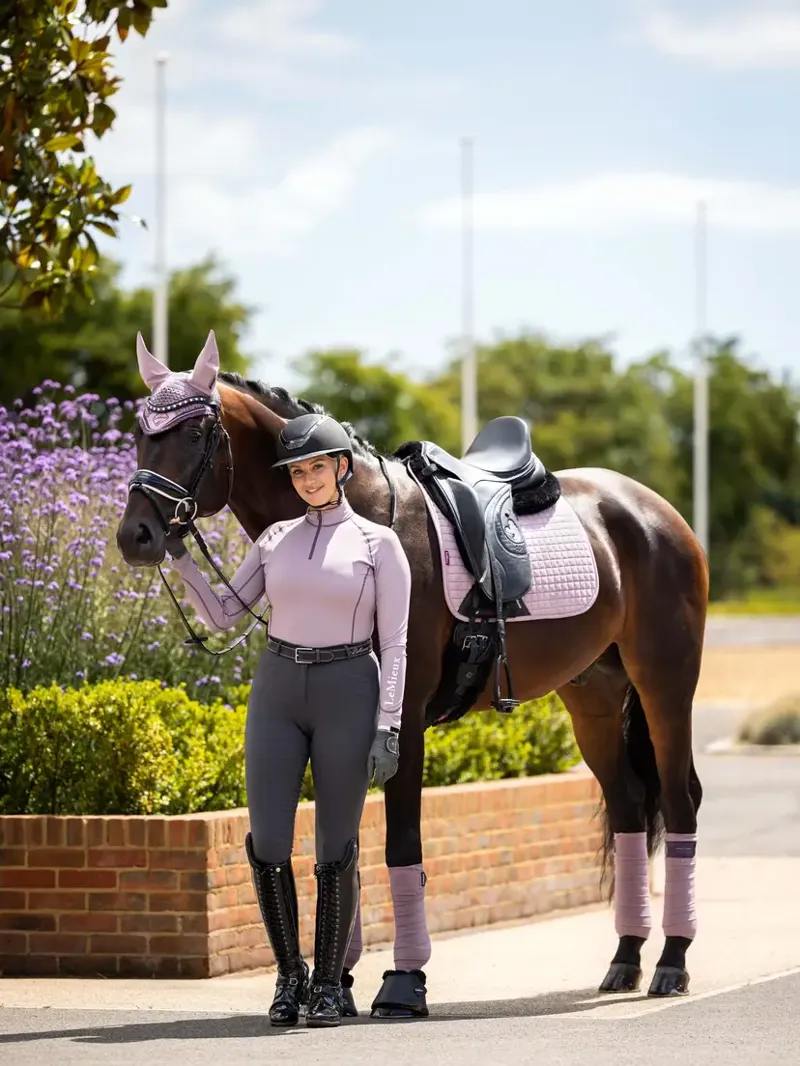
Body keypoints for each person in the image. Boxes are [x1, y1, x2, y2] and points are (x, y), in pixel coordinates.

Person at [166, 413, 412, 1027]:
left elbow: (399, 643)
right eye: (297, 471)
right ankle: (289, 976)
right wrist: (181, 559)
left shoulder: (379, 545)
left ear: (342, 469)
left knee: (336, 844)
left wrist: (390, 725)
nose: (307, 479)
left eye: (317, 468)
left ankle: (329, 984)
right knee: (268, 841)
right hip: (276, 690)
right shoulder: (273, 539)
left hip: (348, 687)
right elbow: (225, 614)